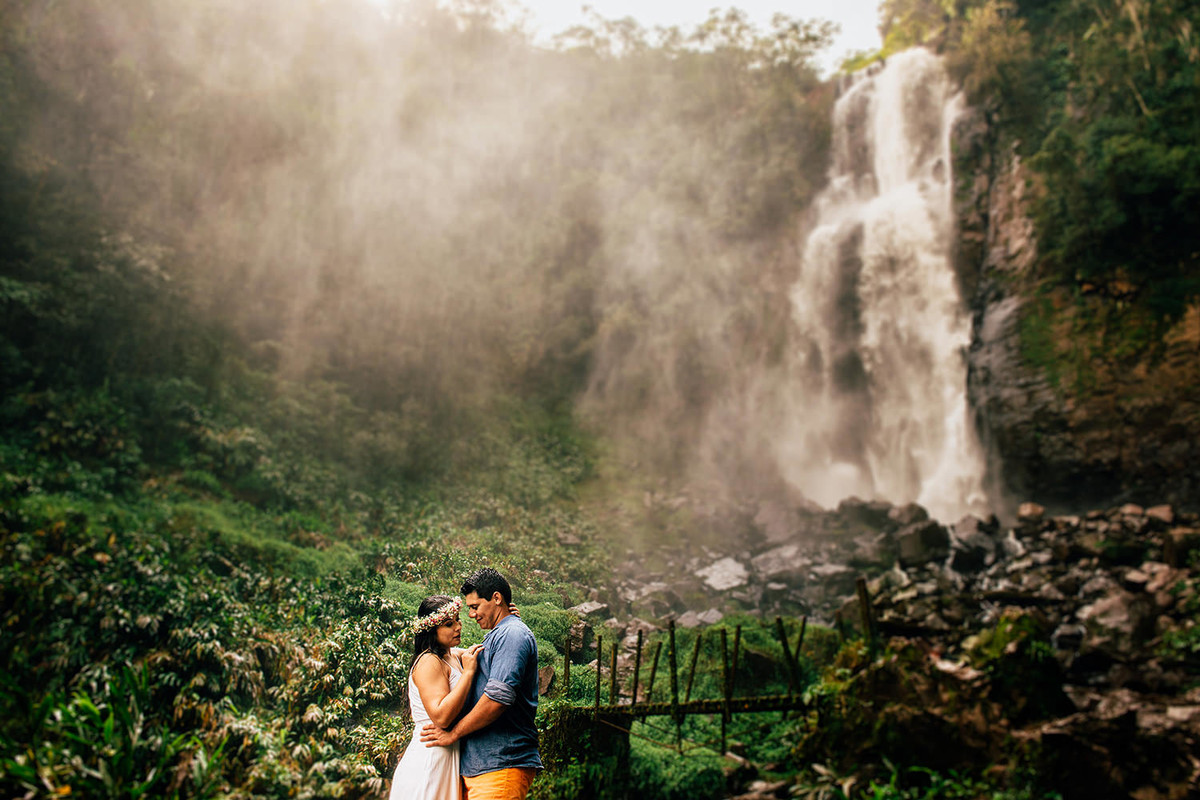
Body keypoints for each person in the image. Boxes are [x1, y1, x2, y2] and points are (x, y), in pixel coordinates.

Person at [421, 568, 543, 800]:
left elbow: (497, 701)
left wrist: (453, 733)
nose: (470, 615)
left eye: (475, 607)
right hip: (482, 766)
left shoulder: (512, 634)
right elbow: (456, 655)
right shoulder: (501, 633)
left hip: (501, 763)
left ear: (496, 599)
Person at [388, 595, 482, 800]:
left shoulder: (450, 655)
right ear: (431, 630)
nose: (457, 627)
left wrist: (509, 619)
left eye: (457, 619)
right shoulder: (429, 661)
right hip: (430, 755)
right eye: (449, 624)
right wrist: (468, 674)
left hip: (446, 754)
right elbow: (441, 717)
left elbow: (485, 651)